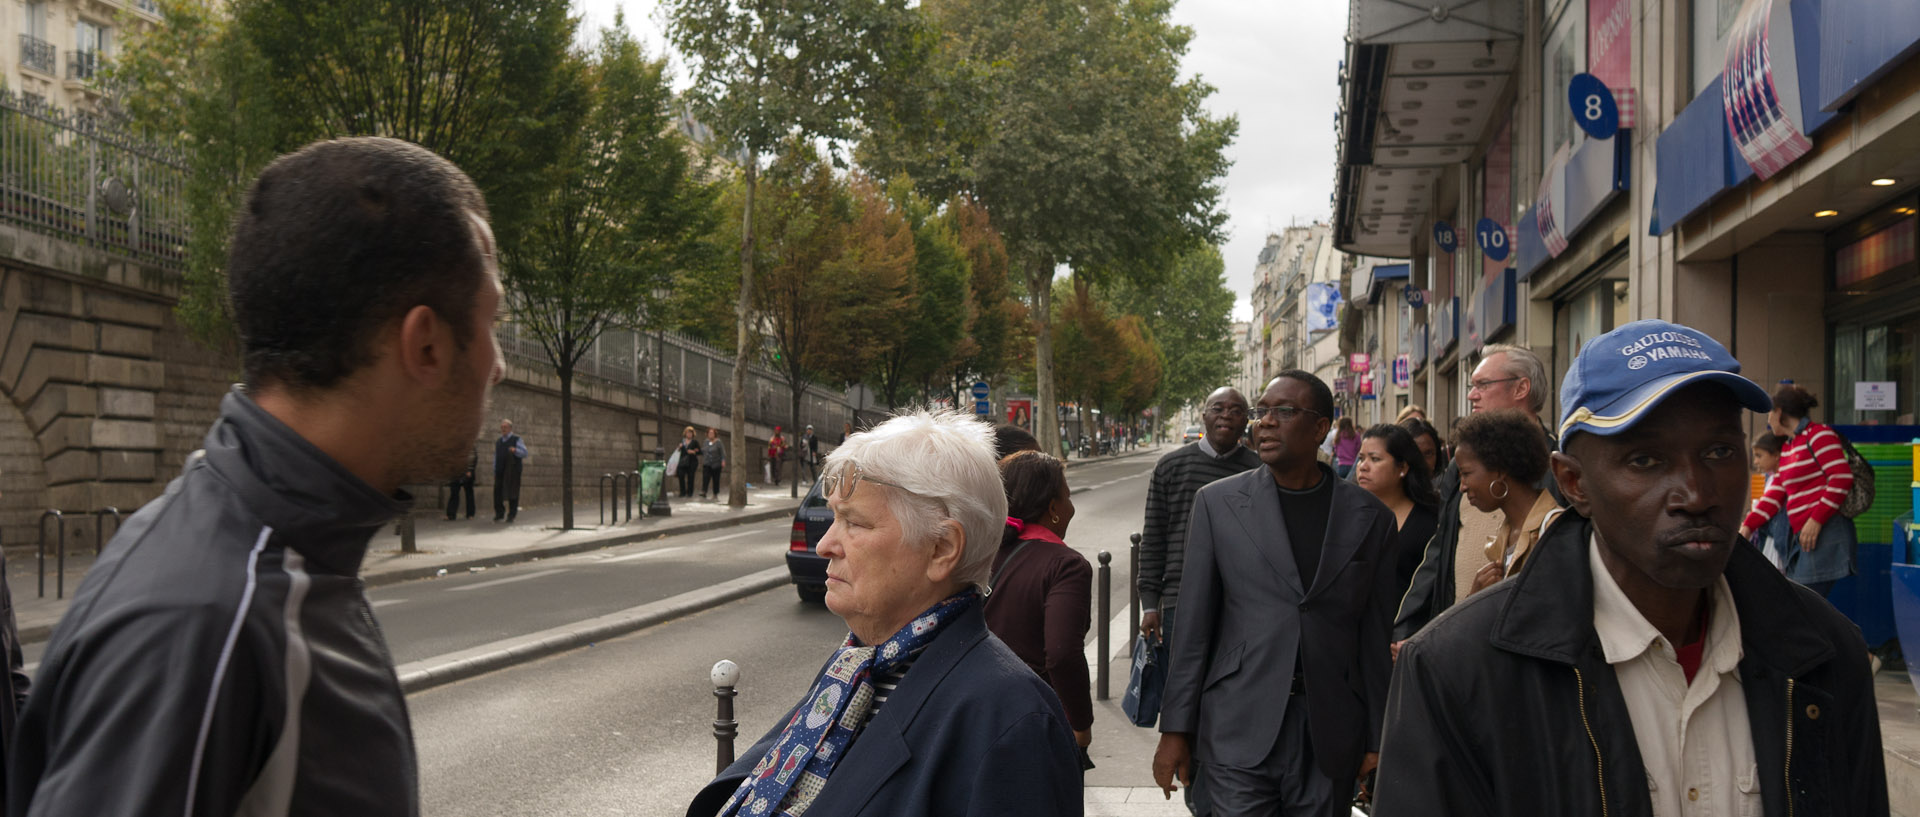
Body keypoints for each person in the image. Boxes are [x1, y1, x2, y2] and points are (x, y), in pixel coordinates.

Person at [10, 137, 505, 816]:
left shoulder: (269, 558)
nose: (499, 364)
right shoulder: (212, 623)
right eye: (491, 322)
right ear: (425, 342)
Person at [1373, 319, 1887, 817]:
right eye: (1645, 461)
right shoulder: (1455, 671)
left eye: (1719, 451)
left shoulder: (1825, 655)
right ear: (1574, 483)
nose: (1696, 493)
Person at [685, 411, 1082, 817]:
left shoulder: (1013, 721)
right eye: (835, 516)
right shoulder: (859, 667)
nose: (825, 544)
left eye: (854, 522)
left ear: (942, 548)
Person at [1154, 372, 1397, 816]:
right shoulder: (1217, 504)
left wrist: (1378, 735)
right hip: (1237, 723)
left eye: (1283, 412)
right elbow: (1193, 629)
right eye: (1261, 411)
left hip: (1330, 730)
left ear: (1321, 427)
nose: (1264, 423)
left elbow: (1375, 634)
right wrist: (1176, 730)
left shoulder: (1370, 517)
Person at [1139, 384, 1265, 817]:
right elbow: (1153, 536)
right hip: (1178, 604)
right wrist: (1149, 601)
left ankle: (1227, 780)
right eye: (1218, 408)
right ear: (1204, 415)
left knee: (1229, 698)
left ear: (1247, 418)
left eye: (1236, 409)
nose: (1226, 415)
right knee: (1186, 700)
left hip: (1241, 607)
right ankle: (1195, 789)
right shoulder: (1171, 467)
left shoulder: (1259, 469)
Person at [1393, 343, 1556, 645]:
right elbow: (1439, 550)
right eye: (1472, 386)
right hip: (1460, 637)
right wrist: (1410, 629)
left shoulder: (1557, 465)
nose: (1471, 395)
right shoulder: (1458, 464)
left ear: (1521, 388)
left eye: (1483, 384)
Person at [984, 451, 1094, 766]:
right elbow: (1062, 654)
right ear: (1053, 509)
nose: (1071, 506)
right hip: (1031, 717)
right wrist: (1080, 723)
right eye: (1068, 497)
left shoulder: (976, 550)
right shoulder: (1065, 565)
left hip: (969, 709)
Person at [1739, 384, 1857, 598]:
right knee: (1806, 607)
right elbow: (1774, 495)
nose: (1768, 420)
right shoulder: (1789, 447)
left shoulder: (1819, 435)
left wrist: (1816, 520)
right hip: (1805, 538)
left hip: (1824, 533)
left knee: (1804, 607)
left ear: (1780, 412)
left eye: (1769, 413)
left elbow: (1841, 478)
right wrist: (1747, 527)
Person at [1451, 409, 1557, 597]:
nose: (1463, 487)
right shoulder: (1505, 535)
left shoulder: (1555, 531)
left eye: (1466, 474)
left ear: (1500, 470)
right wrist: (1477, 597)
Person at [1353, 424, 1440, 598]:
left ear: (1403, 468)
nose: (1363, 466)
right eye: (1361, 458)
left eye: (1375, 459)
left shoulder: (1428, 523)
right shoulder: (1348, 514)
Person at [1748, 433, 1790, 569]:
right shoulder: (1770, 477)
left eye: (1759, 456)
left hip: (1778, 544)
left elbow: (1767, 506)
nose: (1755, 462)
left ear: (1777, 455)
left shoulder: (1782, 478)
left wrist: (1746, 527)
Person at [493, 419, 529, 522]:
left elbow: (525, 453)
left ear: (510, 428)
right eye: (502, 427)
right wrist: (494, 469)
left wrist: (515, 450)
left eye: (505, 427)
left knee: (513, 492)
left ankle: (511, 514)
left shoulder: (516, 439)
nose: (503, 429)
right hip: (500, 470)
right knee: (497, 492)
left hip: (512, 471)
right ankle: (499, 513)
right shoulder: (499, 441)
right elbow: (496, 456)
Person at [446, 444, 477, 520]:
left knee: (469, 494)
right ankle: (451, 514)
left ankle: (470, 514)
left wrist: (470, 471)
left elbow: (474, 458)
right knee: (454, 493)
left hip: (468, 473)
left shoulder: (471, 445)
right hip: (456, 473)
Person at [676, 425, 703, 498]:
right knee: (681, 476)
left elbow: (700, 452)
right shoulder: (682, 441)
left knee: (691, 477)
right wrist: (679, 447)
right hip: (682, 462)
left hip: (692, 462)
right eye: (688, 433)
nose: (689, 434)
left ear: (693, 434)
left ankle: (689, 493)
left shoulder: (695, 442)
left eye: (690, 433)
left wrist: (693, 452)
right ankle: (682, 492)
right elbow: (677, 451)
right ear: (685, 433)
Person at [701, 427, 726, 500]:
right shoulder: (706, 441)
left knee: (716, 479)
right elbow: (703, 450)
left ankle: (715, 494)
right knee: (705, 477)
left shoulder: (718, 442)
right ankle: (704, 491)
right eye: (709, 433)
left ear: (715, 434)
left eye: (712, 433)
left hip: (716, 464)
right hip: (707, 463)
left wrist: (723, 461)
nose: (710, 434)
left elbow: (722, 453)